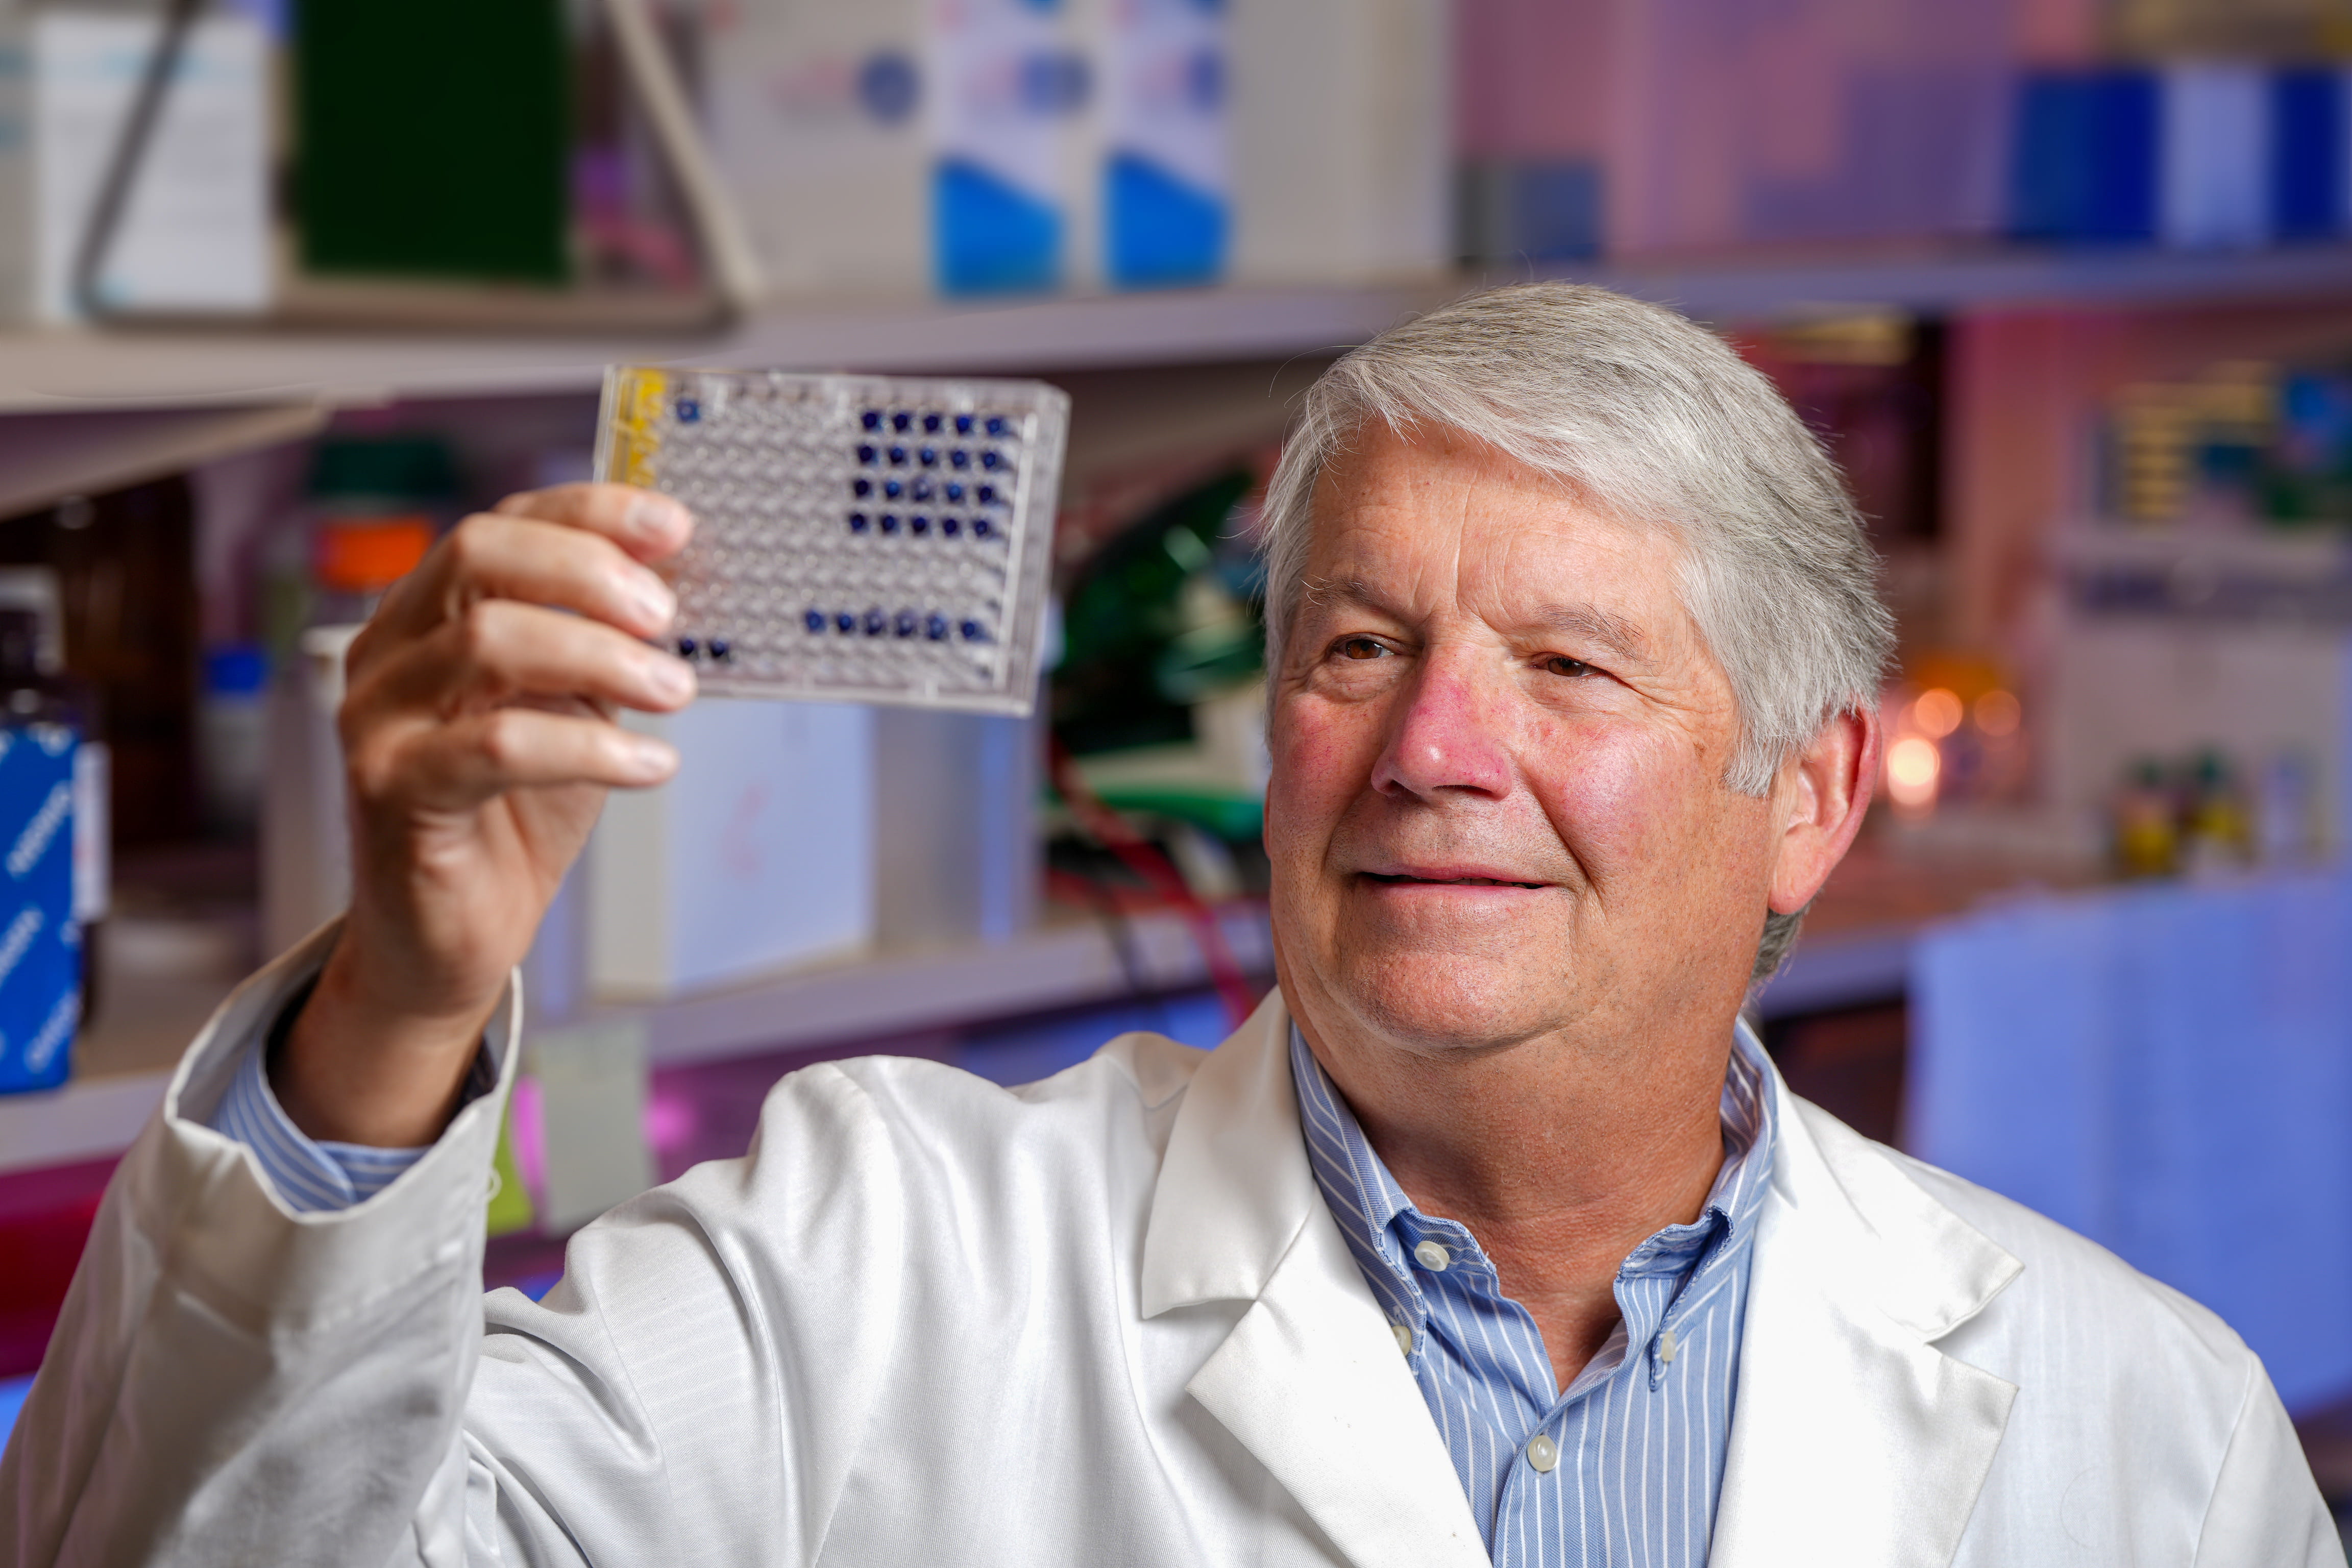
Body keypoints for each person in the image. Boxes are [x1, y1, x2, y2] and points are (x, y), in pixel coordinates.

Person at [2, 285, 2339, 1568]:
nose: (1434, 746)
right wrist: (404, 996)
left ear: (1811, 796)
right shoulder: (875, 1261)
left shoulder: (2144, 1430)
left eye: (1568, 666)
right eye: (1357, 648)